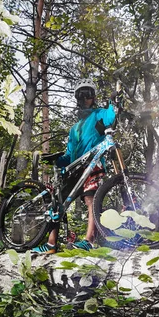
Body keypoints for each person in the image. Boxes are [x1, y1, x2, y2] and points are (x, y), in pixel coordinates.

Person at [32, 79, 116, 254]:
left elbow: (111, 117)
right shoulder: (74, 129)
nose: (85, 98)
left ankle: (88, 240)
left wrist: (113, 102)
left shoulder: (99, 114)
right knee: (58, 202)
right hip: (75, 168)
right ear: (77, 98)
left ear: (93, 97)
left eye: (88, 95)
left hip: (93, 164)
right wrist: (57, 160)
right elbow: (69, 154)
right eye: (81, 95)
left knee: (91, 199)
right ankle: (51, 244)